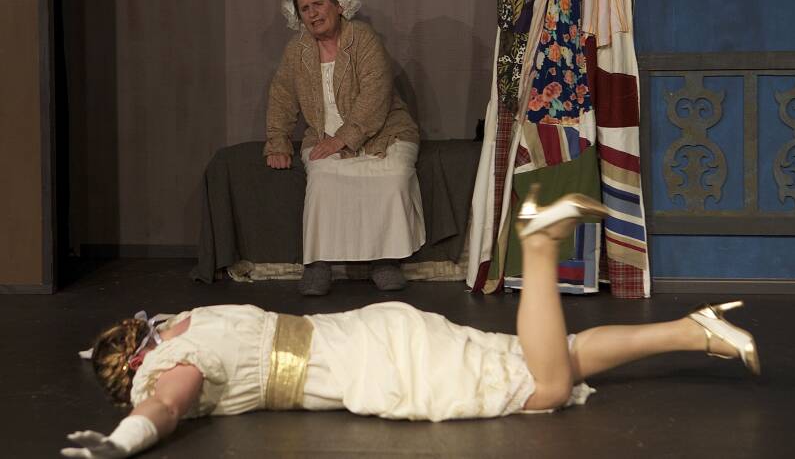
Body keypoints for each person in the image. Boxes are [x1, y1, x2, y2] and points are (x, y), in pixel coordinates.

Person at [61, 187, 759, 458]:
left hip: (376, 367)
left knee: (542, 387)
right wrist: (103, 356)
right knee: (546, 357)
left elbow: (165, 406)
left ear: (137, 366)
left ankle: (540, 245)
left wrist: (123, 440)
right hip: (372, 331)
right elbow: (133, 361)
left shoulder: (172, 366)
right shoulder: (188, 322)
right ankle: (694, 331)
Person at [263, 0, 424, 296]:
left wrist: (343, 139)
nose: (312, 13)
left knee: (393, 176)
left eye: (318, 4)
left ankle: (385, 261)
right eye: (305, 8)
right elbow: (282, 95)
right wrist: (278, 141)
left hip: (385, 131)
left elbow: (376, 94)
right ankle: (318, 263)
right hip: (324, 134)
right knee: (323, 179)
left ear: (338, 6)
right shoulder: (297, 50)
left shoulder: (362, 38)